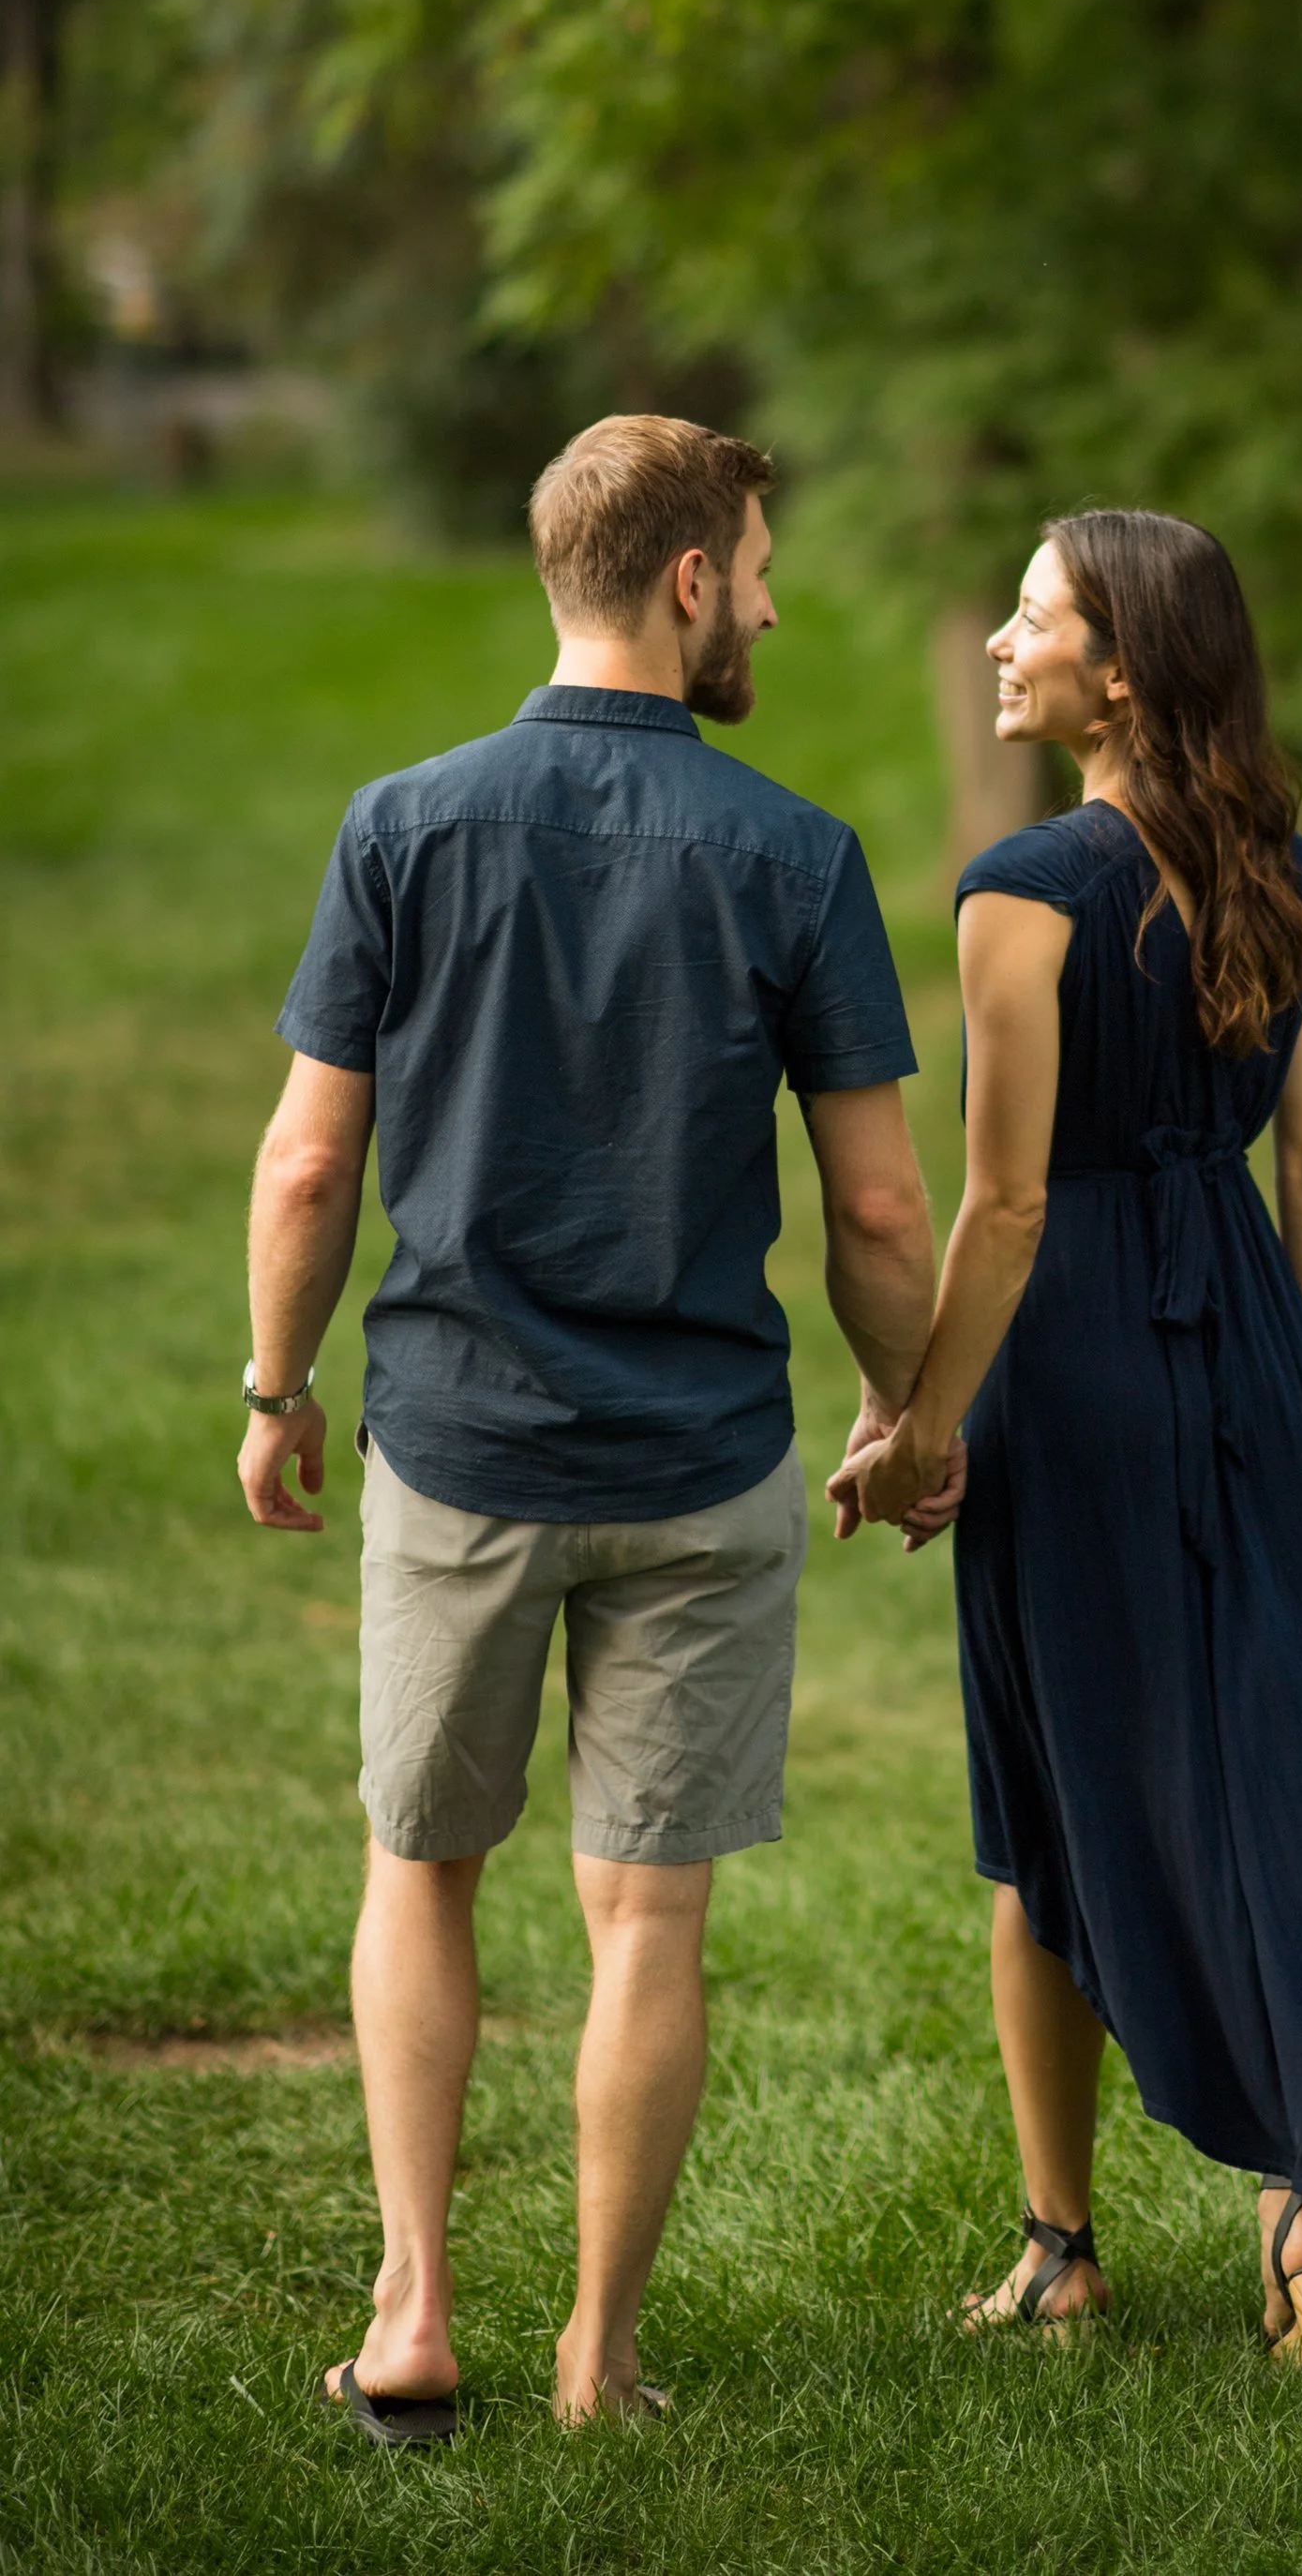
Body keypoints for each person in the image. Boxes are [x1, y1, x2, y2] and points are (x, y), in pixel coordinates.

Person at [240, 413, 948, 2442]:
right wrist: (907, 1408)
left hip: (455, 1445)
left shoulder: (402, 825)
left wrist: (280, 1391)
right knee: (647, 1913)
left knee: (422, 1866)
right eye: (757, 562)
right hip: (702, 1464)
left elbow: (305, 1169)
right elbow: (882, 1210)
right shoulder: (795, 856)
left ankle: (412, 2315)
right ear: (683, 584)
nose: (776, 600)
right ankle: (598, 2357)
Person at [831, 508, 1302, 2363]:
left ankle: (1060, 2242)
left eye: (1027, 618)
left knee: (1049, 1806)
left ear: (1117, 669)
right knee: (1265, 1781)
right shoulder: (1299, 881)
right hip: (1254, 1359)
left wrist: (918, 1430)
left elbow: (1008, 1208)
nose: (996, 645)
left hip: (1075, 1363)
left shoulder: (1018, 890)